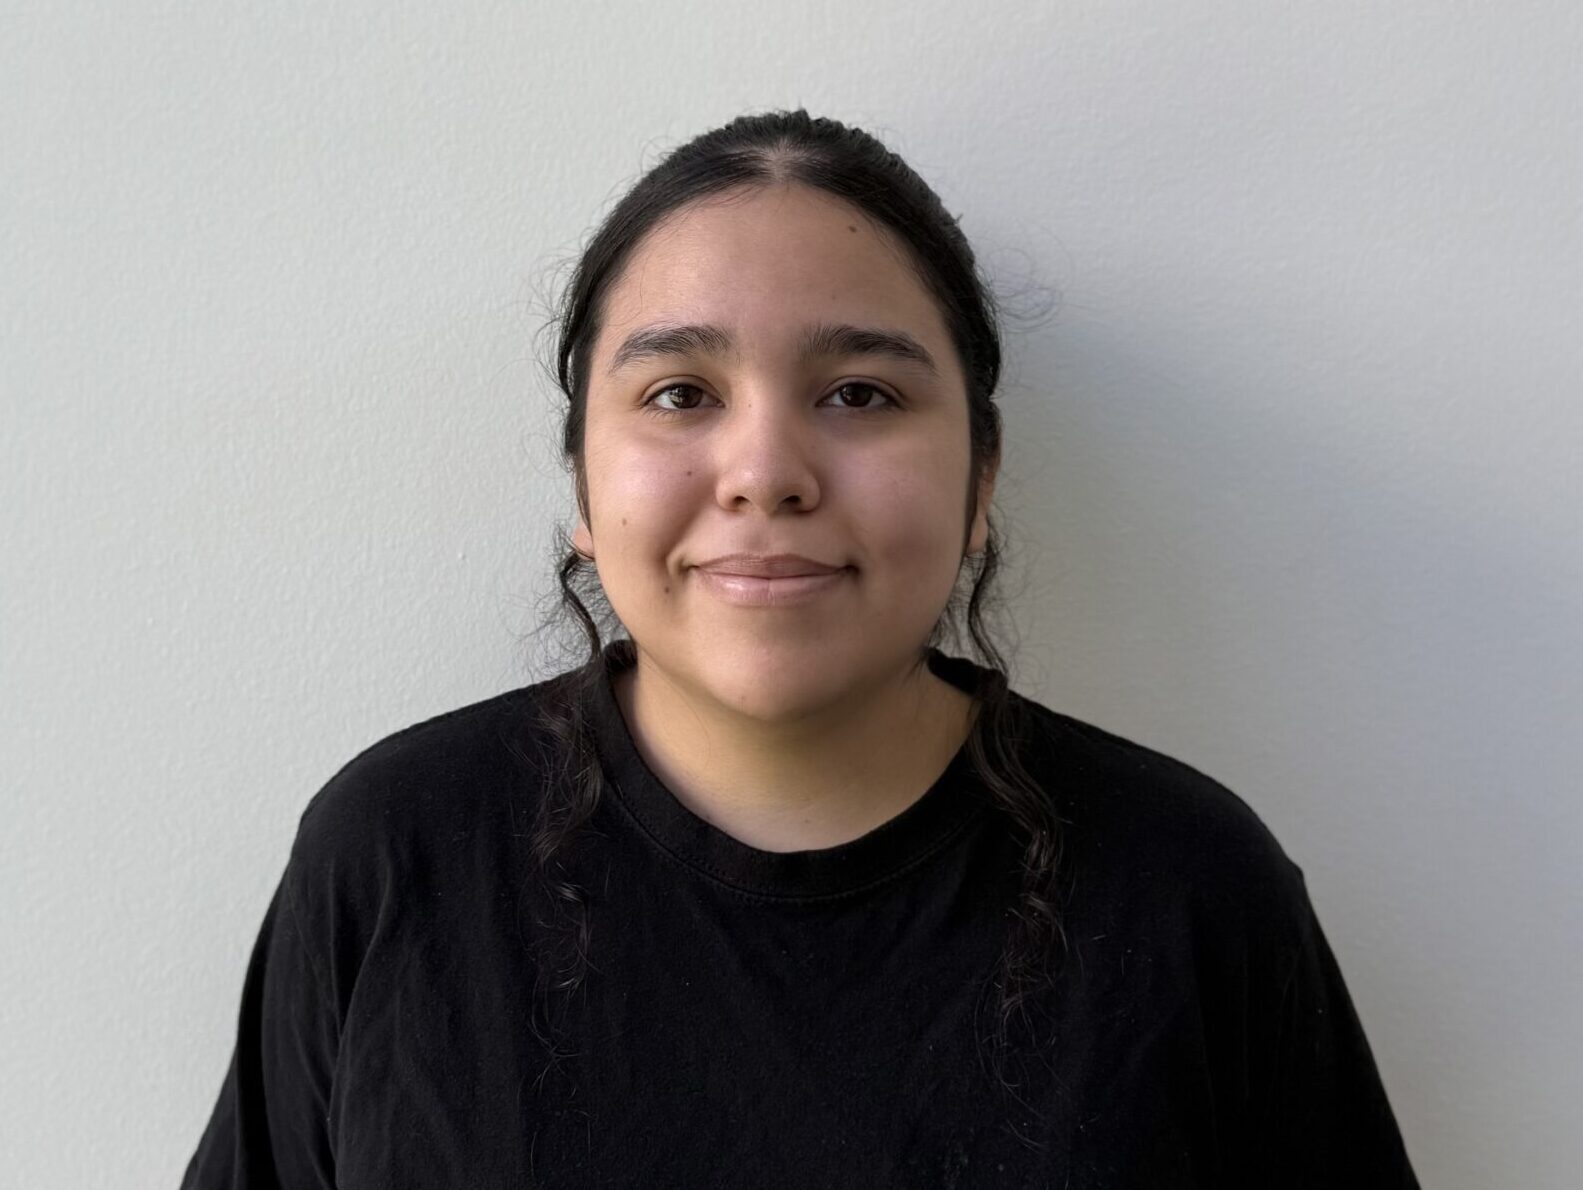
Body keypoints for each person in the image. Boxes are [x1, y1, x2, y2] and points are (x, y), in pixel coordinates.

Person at [179, 109, 1420, 1188]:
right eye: (679, 393)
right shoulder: (394, 851)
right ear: (582, 479)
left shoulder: (1191, 887)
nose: (765, 472)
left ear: (980, 477)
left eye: (858, 393)